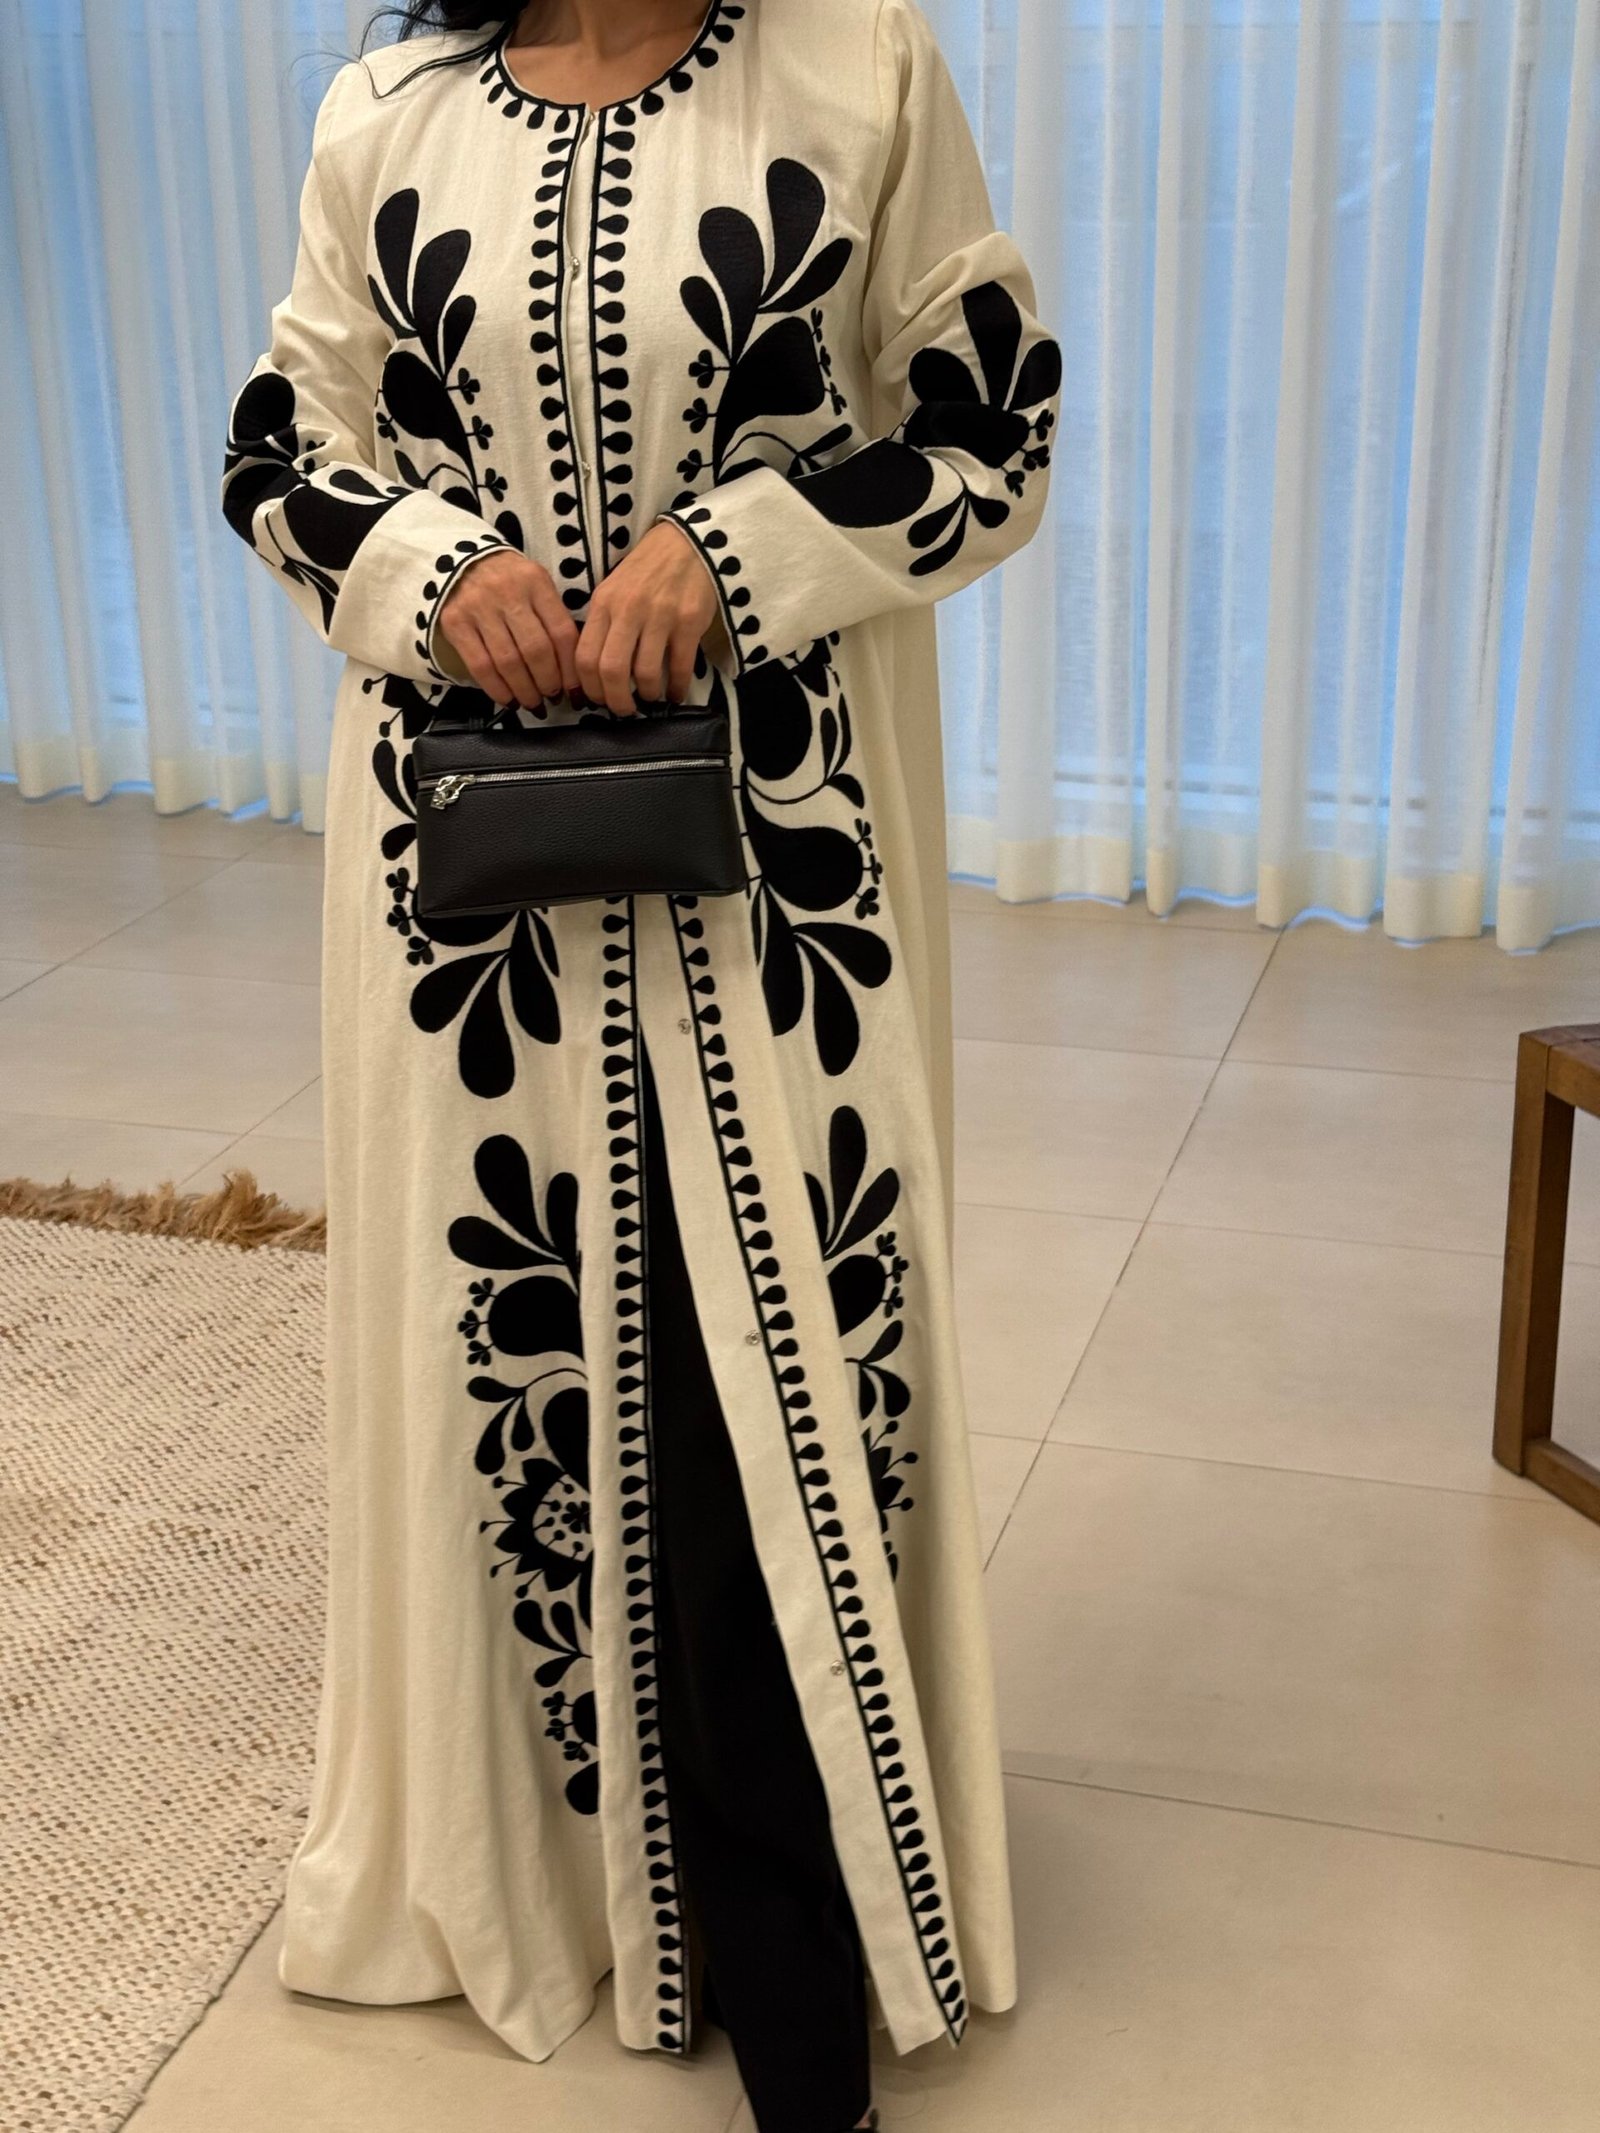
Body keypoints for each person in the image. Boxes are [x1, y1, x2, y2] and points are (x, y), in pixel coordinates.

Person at [218, 3, 1060, 2128]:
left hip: (780, 874)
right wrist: (431, 569)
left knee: (753, 1357)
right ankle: (564, 1869)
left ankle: (790, 1925)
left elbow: (992, 428)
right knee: (518, 1355)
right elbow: (279, 449)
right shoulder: (382, 116)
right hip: (467, 894)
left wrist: (742, 547)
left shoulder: (858, 70)